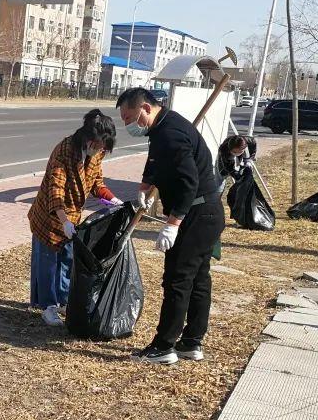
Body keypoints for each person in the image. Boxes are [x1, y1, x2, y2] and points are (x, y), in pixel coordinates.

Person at [116, 87, 224, 365]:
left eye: (131, 118)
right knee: (199, 278)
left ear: (146, 108)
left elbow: (188, 182)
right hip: (207, 213)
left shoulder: (171, 134)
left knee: (178, 280)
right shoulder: (164, 127)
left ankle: (164, 346)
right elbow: (157, 161)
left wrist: (172, 224)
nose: (129, 125)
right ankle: (191, 342)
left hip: (196, 215)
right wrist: (145, 184)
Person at [28, 109, 121, 326]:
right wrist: (64, 221)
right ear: (89, 139)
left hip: (72, 216)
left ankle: (62, 299)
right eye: (98, 146)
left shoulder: (97, 153)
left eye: (103, 148)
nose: (100, 150)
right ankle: (48, 306)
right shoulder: (64, 151)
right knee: (48, 262)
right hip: (50, 216)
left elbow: (97, 183)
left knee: (67, 260)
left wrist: (113, 200)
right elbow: (55, 190)